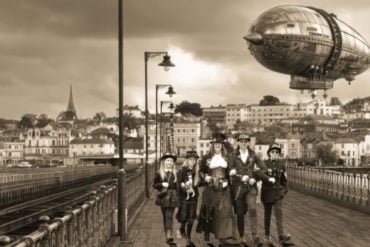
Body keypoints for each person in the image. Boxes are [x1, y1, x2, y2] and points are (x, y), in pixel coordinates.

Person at [229, 133, 274, 247]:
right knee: (239, 213)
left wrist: (255, 177)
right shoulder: (233, 155)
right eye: (241, 141)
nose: (243, 144)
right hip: (238, 188)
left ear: (248, 142)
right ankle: (241, 237)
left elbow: (264, 169)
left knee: (252, 209)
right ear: (238, 142)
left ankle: (255, 236)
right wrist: (239, 176)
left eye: (246, 141)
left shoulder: (253, 155)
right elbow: (230, 172)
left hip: (250, 187)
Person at [196, 132, 238, 246]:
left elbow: (230, 170)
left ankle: (223, 237)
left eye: (219, 143)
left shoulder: (227, 157)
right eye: (215, 144)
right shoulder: (206, 157)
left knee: (225, 211)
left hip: (224, 188)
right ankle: (207, 233)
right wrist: (206, 177)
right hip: (211, 188)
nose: (217, 145)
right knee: (210, 211)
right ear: (213, 145)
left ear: (222, 145)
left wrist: (232, 172)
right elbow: (201, 171)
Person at [261, 143, 292, 246]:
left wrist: (282, 192)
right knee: (267, 215)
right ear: (269, 153)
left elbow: (285, 182)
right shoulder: (264, 164)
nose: (274, 154)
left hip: (278, 194)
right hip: (267, 193)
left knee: (279, 214)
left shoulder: (281, 165)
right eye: (272, 152)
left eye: (277, 152)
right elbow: (260, 176)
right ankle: (267, 237)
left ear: (279, 154)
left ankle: (281, 236)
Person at [153, 152, 180, 247]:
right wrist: (161, 184)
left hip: (172, 197)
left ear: (173, 163)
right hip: (163, 197)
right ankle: (167, 233)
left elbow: (178, 187)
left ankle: (169, 236)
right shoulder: (159, 173)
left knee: (169, 215)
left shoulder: (175, 173)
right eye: (168, 160)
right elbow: (154, 185)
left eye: (171, 161)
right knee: (165, 216)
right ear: (164, 162)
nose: (170, 162)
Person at [176, 150, 200, 247]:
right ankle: (182, 227)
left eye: (194, 160)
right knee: (184, 216)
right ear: (187, 160)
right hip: (184, 197)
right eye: (190, 159)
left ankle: (188, 236)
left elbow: (200, 183)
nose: (192, 161)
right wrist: (185, 188)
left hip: (194, 197)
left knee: (191, 217)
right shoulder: (182, 170)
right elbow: (179, 183)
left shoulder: (197, 171)